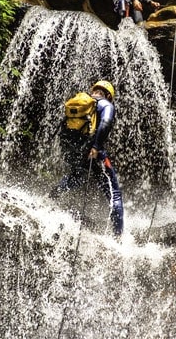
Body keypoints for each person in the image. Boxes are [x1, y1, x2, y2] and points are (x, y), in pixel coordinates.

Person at [53, 80, 124, 237]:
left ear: (94, 91)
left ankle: (51, 198)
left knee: (76, 178)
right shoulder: (106, 105)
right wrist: (96, 147)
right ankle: (119, 236)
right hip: (93, 152)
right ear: (108, 95)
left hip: (74, 152)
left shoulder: (79, 103)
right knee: (114, 193)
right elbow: (105, 123)